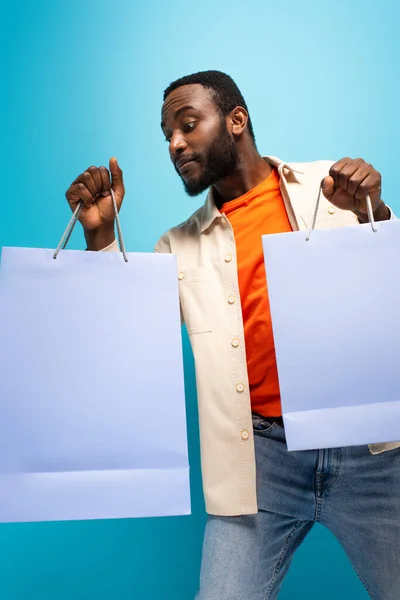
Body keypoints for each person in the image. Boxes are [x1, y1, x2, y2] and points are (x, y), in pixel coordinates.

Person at [65, 70, 400, 600]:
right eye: (167, 135)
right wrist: (102, 235)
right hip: (260, 461)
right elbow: (124, 343)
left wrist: (376, 212)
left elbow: (390, 287)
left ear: (236, 120)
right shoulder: (175, 246)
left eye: (188, 124)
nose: (175, 144)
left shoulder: (330, 189)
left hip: (374, 454)